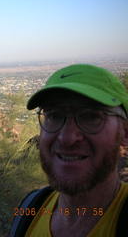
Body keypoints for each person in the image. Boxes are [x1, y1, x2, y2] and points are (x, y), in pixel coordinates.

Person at [10, 64, 128, 236]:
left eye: (91, 116)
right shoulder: (30, 210)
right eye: (54, 115)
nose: (67, 138)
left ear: (124, 132)